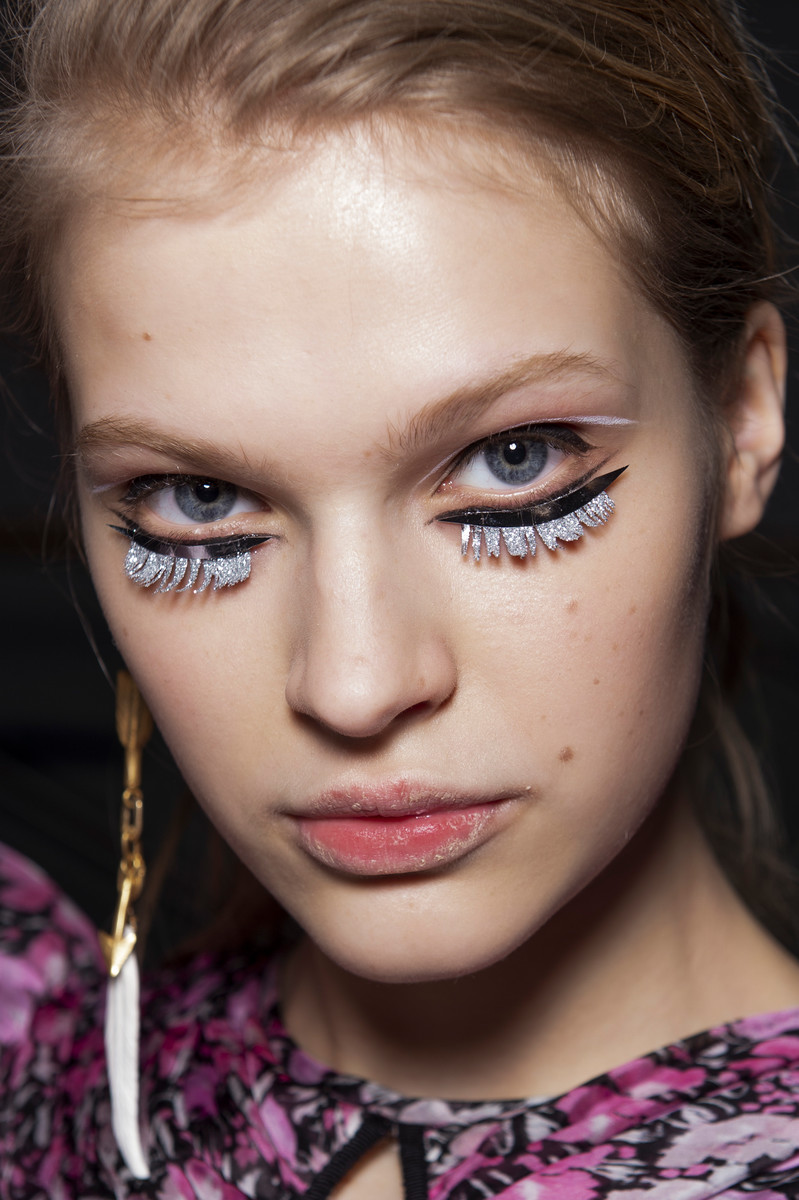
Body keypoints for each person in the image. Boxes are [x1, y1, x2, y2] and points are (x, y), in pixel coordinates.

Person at [1, 0, 798, 1196]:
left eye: (513, 464)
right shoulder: (35, 1069)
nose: (355, 686)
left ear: (741, 420)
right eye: (198, 499)